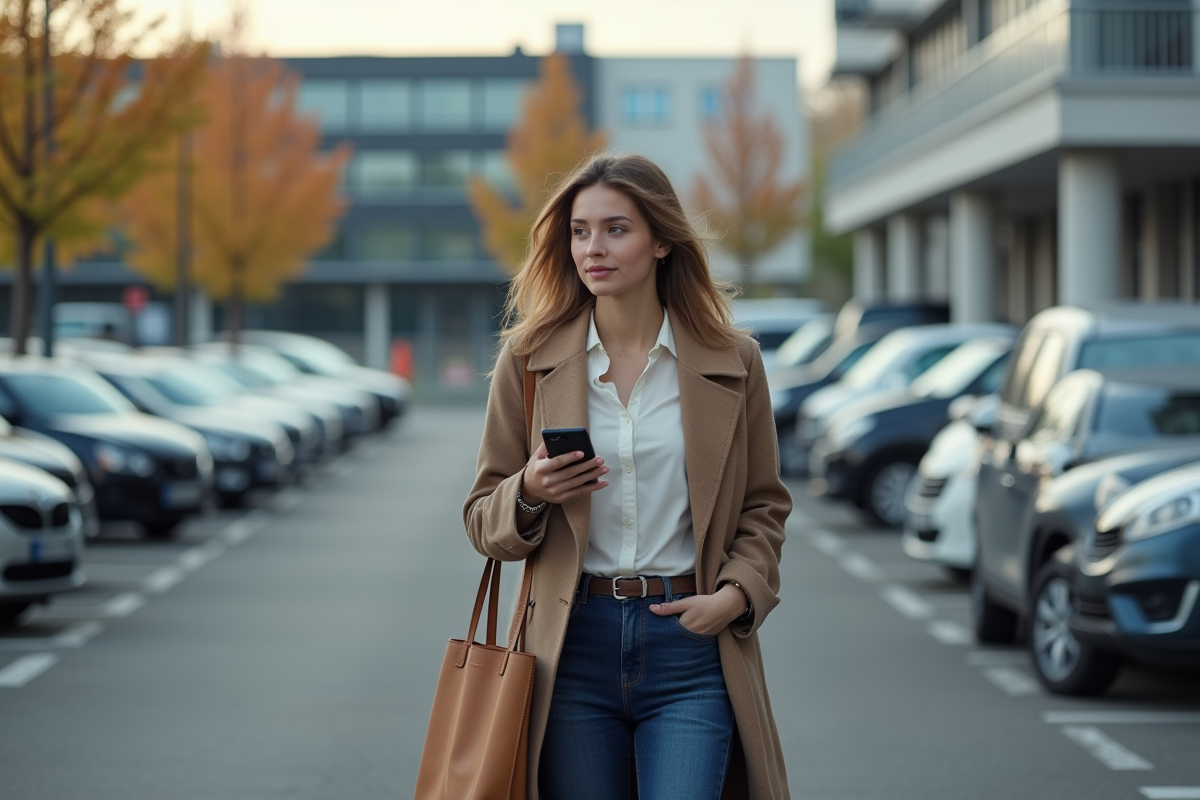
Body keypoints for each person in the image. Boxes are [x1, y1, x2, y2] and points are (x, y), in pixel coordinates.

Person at [464, 154, 792, 800]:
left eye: (616, 229)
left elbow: (764, 507)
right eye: (580, 231)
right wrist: (530, 492)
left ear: (662, 240)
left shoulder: (734, 362)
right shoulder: (529, 361)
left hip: (692, 646)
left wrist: (736, 595)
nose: (594, 248)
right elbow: (482, 516)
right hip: (571, 644)